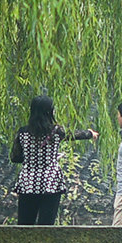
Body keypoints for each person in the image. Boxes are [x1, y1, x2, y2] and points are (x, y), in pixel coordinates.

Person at [10, 94, 98, 225]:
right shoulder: (56, 131)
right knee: (47, 225)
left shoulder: (23, 132)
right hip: (50, 181)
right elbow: (75, 134)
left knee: (25, 224)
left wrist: (32, 158)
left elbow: (15, 157)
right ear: (49, 111)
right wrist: (90, 133)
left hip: (28, 181)